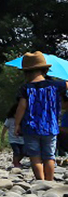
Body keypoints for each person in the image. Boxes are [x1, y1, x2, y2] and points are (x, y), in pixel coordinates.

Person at [13, 51, 68, 181]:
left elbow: (22, 107)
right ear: (45, 70)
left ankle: (40, 180)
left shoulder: (25, 88)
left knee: (35, 156)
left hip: (31, 127)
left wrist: (16, 124)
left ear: (26, 72)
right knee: (49, 156)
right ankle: (49, 181)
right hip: (50, 126)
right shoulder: (56, 85)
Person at [1, 103, 25, 168]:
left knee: (23, 152)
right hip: (13, 139)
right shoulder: (9, 119)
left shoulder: (23, 119)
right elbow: (5, 127)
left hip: (22, 139)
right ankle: (16, 163)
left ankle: (16, 161)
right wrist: (2, 135)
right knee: (16, 151)